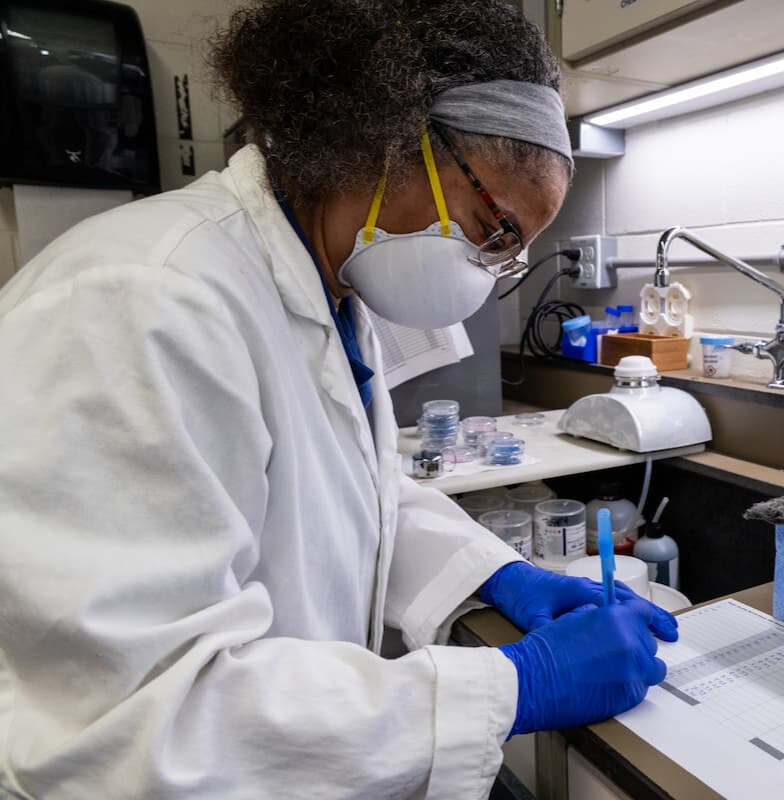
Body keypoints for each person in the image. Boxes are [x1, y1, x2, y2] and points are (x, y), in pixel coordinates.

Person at [0, 1, 678, 798]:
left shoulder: (329, 291)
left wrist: (494, 573)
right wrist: (510, 687)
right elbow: (139, 719)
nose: (494, 268)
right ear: (388, 140)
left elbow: (352, 497)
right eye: (494, 228)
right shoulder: (142, 298)